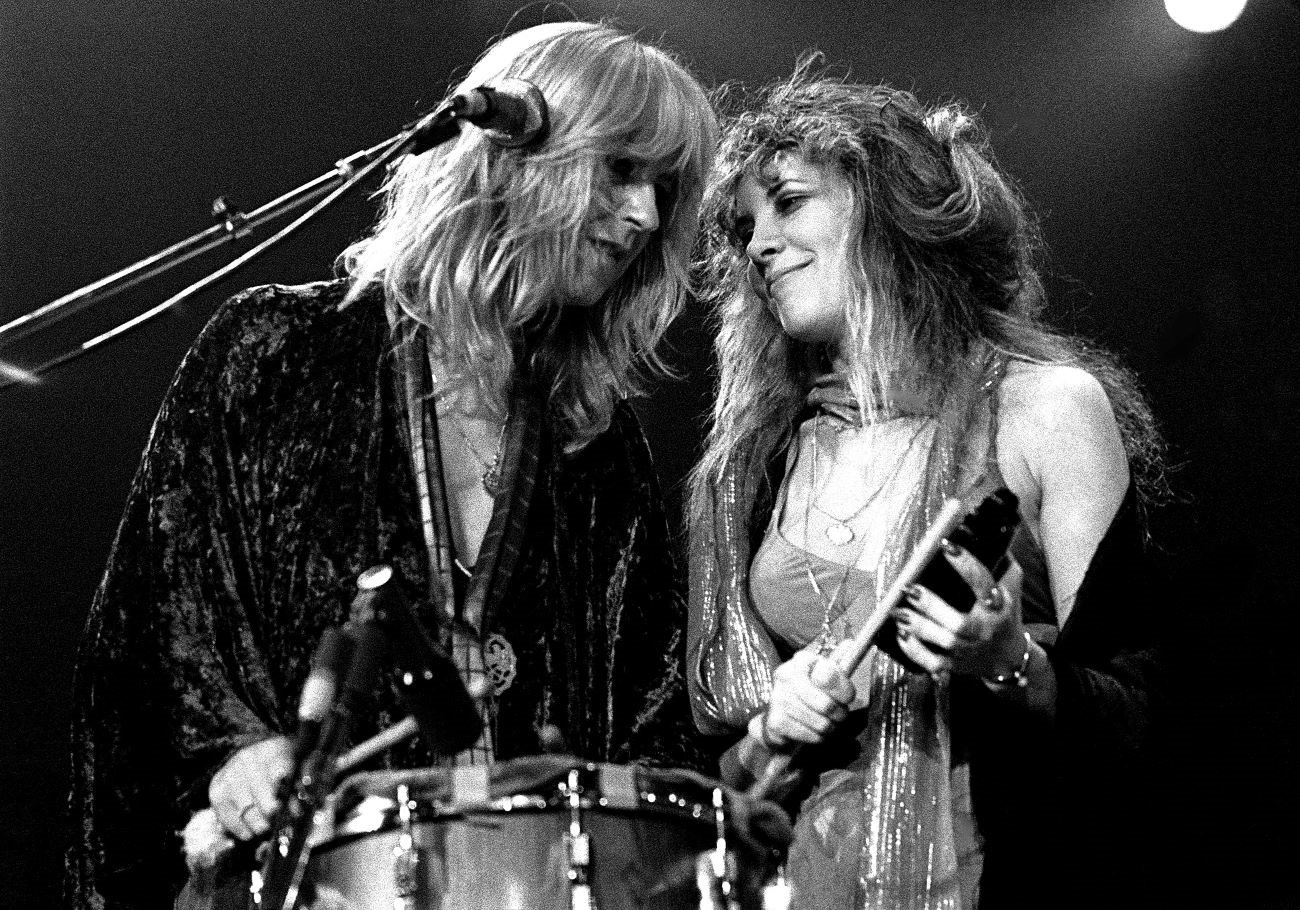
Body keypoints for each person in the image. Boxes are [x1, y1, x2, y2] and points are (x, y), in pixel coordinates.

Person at [65, 21, 720, 910]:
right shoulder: (277, 355)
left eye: (662, 189)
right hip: (298, 878)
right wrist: (233, 751)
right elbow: (156, 631)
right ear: (510, 150)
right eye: (619, 169)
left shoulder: (597, 440)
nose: (644, 216)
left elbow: (653, 722)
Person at [687, 67, 1167, 910]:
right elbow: (706, 772)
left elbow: (1142, 717)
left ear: (888, 210)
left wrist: (1007, 659)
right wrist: (774, 726)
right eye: (745, 225)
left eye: (789, 202)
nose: (759, 244)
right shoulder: (754, 463)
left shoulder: (1046, 408)